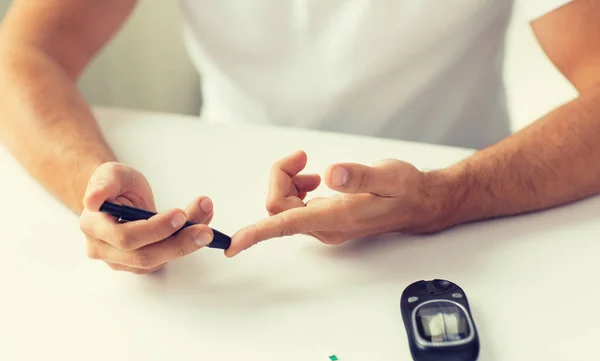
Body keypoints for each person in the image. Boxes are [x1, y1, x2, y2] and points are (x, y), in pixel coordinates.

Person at [0, 0, 598, 273]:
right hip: (232, 232)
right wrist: (94, 187)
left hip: (469, 229)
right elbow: (22, 53)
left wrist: (448, 196)